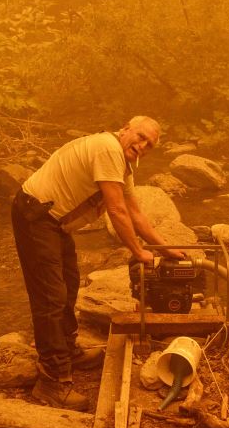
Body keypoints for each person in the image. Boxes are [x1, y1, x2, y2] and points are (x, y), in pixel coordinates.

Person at [11, 116, 184, 410]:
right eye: (140, 136)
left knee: (69, 283)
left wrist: (164, 249)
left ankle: (67, 349)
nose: (142, 145)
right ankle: (52, 381)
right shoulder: (107, 149)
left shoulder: (122, 165)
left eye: (149, 144)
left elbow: (136, 213)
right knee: (50, 296)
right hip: (35, 215)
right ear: (125, 129)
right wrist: (139, 252)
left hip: (54, 223)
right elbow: (116, 210)